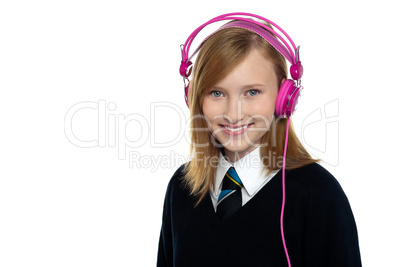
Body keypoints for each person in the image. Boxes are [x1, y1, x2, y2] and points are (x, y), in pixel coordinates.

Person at [157, 13, 362, 267]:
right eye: (216, 92)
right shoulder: (182, 188)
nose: (233, 114)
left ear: (284, 97)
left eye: (252, 92)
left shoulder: (317, 195)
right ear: (195, 97)